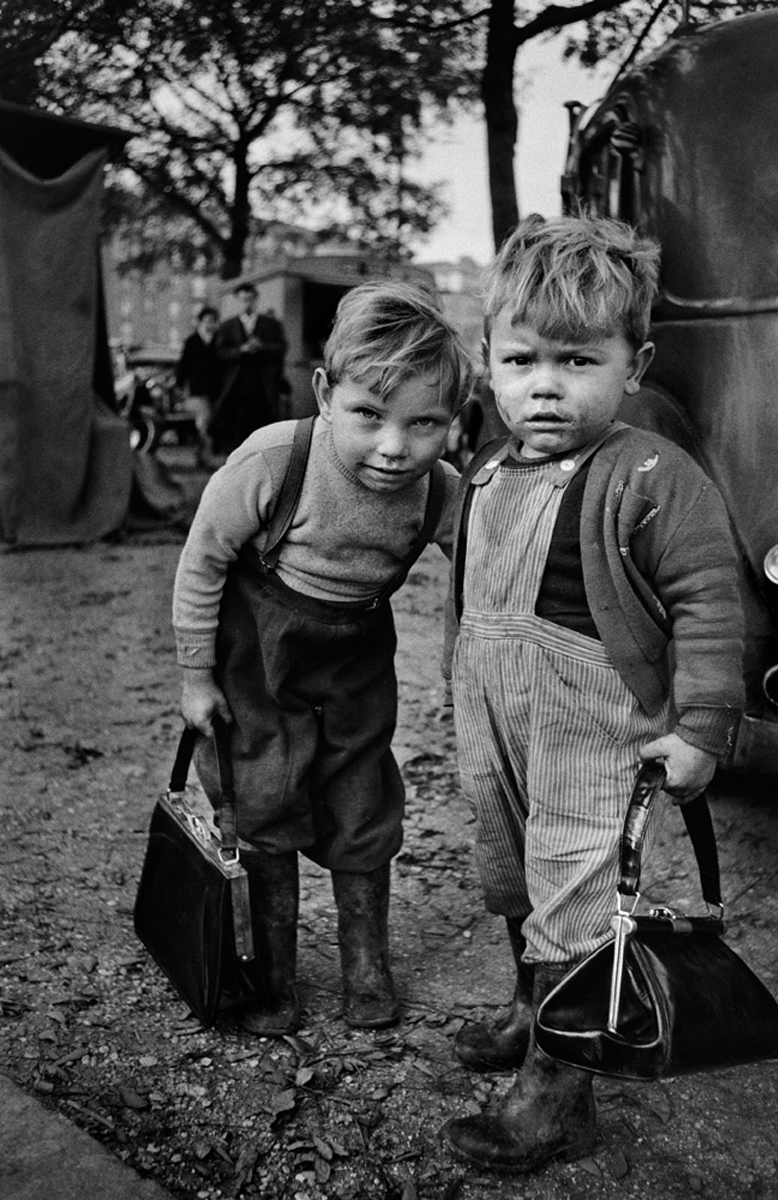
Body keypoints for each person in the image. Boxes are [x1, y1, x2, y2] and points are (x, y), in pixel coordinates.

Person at [440, 214, 744, 1172]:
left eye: (578, 360)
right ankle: (537, 1012)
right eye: (522, 359)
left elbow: (706, 603)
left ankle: (558, 1094)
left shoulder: (654, 475)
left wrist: (701, 727)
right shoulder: (485, 470)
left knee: (575, 891)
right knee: (510, 873)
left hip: (595, 732)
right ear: (488, 359)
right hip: (494, 719)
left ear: (635, 362)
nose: (545, 384)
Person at [172, 280, 472, 1038]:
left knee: (362, 800)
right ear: (324, 392)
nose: (394, 446)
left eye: (424, 423)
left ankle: (364, 961)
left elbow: (489, 564)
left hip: (355, 661)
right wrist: (195, 675)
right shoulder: (276, 459)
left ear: (453, 423)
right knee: (263, 799)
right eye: (369, 414)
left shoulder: (439, 493)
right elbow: (203, 560)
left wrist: (467, 654)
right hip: (257, 663)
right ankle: (274, 977)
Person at [210, 282, 288, 455]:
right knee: (238, 428)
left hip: (263, 386)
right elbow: (220, 353)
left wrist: (262, 346)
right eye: (243, 300)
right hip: (236, 387)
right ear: (237, 301)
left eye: (250, 299)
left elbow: (281, 348)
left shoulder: (271, 324)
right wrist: (240, 350)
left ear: (256, 300)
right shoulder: (227, 326)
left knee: (264, 427)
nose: (247, 303)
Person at [175, 306, 221, 466]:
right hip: (197, 389)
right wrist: (179, 385)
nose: (210, 324)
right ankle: (205, 455)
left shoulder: (219, 340)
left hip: (216, 389)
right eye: (207, 321)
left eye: (213, 321)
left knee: (207, 422)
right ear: (200, 322)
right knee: (203, 421)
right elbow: (183, 365)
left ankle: (201, 454)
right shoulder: (192, 341)